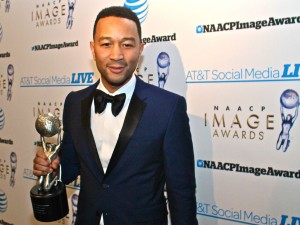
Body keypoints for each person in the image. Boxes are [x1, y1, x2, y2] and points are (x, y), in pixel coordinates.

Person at [33, 6, 198, 225]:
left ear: (140, 49)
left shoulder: (168, 107)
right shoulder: (74, 102)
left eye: (127, 45)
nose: (117, 55)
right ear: (93, 49)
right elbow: (71, 167)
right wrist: (52, 168)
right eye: (106, 44)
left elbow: (182, 191)